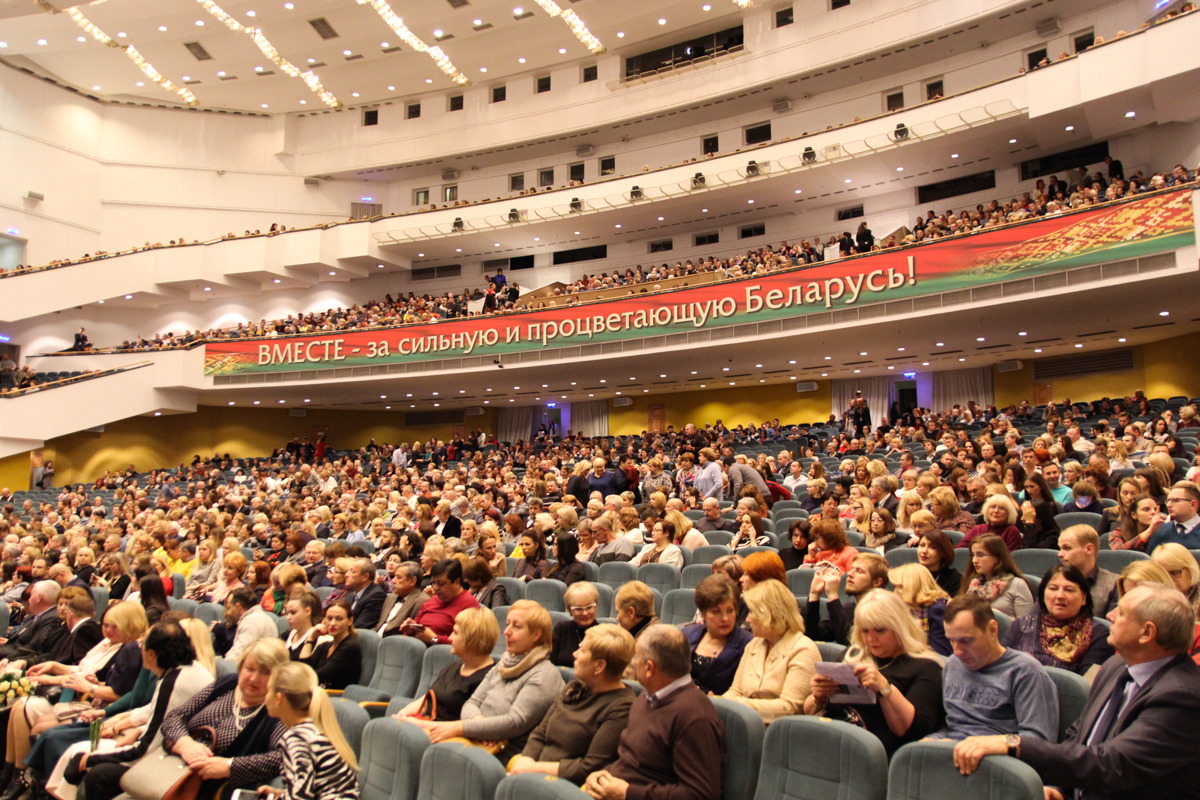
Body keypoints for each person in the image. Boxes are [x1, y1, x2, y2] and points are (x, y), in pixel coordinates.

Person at [952, 585, 1200, 800]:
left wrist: (1012, 742)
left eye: (1122, 613)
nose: (1110, 615)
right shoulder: (1117, 666)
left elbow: (1112, 764)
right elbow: (1080, 734)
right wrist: (1061, 789)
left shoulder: (1182, 696)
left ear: (1146, 633)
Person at [406, 600, 563, 761]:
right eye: (508, 624)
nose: (507, 631)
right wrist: (479, 725)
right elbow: (471, 703)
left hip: (507, 754)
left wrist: (461, 727)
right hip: (477, 741)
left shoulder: (544, 675)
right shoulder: (503, 664)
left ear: (536, 635)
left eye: (516, 627)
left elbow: (515, 722)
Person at [582, 625, 723, 800]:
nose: (633, 664)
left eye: (637, 658)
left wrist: (627, 793)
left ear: (649, 668)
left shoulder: (695, 716)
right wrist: (602, 775)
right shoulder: (648, 696)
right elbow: (630, 761)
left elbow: (701, 795)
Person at [804, 589, 945, 757]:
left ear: (899, 628)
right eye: (865, 631)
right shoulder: (853, 655)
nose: (870, 639)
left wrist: (884, 689)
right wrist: (819, 697)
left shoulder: (926, 667)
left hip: (873, 755)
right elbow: (808, 710)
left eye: (879, 630)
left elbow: (910, 733)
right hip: (829, 742)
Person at [150, 639, 289, 800]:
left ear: (278, 677)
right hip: (168, 770)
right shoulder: (227, 683)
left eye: (265, 673)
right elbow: (176, 716)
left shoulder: (278, 710)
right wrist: (184, 743)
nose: (254, 678)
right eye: (249, 669)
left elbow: (282, 757)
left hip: (210, 790)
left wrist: (229, 766)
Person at [509, 624, 637, 785]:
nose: (574, 654)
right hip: (532, 775)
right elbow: (540, 732)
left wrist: (534, 768)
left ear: (600, 666)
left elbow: (590, 767)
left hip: (564, 787)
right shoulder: (575, 686)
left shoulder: (622, 708)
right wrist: (525, 762)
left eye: (582, 650)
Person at [927, 593, 1058, 742]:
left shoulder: (1026, 672)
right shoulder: (953, 665)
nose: (957, 652)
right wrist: (934, 740)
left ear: (992, 630)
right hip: (951, 755)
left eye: (965, 641)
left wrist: (987, 745)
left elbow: (1039, 743)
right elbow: (949, 727)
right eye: (952, 641)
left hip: (998, 761)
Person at [719, 578, 819, 722]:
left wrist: (736, 705)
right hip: (746, 726)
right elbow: (735, 691)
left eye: (752, 612)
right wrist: (719, 705)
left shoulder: (803, 650)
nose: (747, 619)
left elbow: (789, 708)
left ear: (769, 614)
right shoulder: (754, 645)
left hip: (779, 735)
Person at [256, 662, 358, 800]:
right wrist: (281, 795)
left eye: (269, 691)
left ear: (278, 699)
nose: (265, 696)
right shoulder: (312, 728)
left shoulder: (296, 739)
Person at [1002, 563, 1116, 680]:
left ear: (1084, 598)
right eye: (1053, 588)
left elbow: (1087, 688)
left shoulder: (1099, 634)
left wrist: (1032, 667)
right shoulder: (1022, 624)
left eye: (1069, 590)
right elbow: (999, 669)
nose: (1060, 595)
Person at [393, 607, 497, 723]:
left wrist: (416, 723)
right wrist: (404, 713)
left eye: (456, 633)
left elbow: (466, 725)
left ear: (472, 639)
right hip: (425, 725)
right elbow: (429, 700)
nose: (450, 638)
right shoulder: (456, 665)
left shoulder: (489, 677)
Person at [681, 575, 752, 695]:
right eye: (716, 612)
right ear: (703, 614)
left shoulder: (748, 643)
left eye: (730, 611)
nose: (725, 618)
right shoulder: (688, 634)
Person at [805, 552, 890, 645]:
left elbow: (850, 644)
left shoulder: (884, 613)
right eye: (852, 569)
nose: (850, 574)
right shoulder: (847, 609)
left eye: (859, 571)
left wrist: (833, 596)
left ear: (877, 582)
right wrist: (814, 595)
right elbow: (813, 635)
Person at [399, 559, 481, 645]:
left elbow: (469, 645)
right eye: (433, 583)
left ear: (456, 582)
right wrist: (411, 629)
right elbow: (415, 625)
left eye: (441, 583)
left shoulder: (470, 606)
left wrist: (434, 639)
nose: (435, 588)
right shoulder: (432, 601)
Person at [960, 533, 1034, 618]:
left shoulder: (1018, 585)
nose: (974, 560)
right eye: (973, 555)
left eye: (980, 555)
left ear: (997, 558)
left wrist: (1001, 618)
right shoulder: (973, 585)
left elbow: (1026, 626)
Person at [297, 600, 362, 690]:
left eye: (339, 619)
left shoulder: (350, 647)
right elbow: (303, 668)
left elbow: (320, 676)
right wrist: (311, 638)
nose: (332, 623)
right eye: (329, 618)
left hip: (336, 697)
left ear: (350, 621)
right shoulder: (324, 646)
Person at [889, 563, 952, 656]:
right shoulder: (906, 609)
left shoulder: (937, 610)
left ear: (912, 587)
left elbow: (942, 653)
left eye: (900, 587)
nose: (895, 593)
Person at [1056, 524, 1119, 615]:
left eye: (1067, 548)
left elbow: (1113, 626)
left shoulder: (1114, 584)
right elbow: (1033, 621)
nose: (1060, 554)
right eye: (1060, 548)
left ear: (1089, 549)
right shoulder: (1052, 581)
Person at [224, 587, 282, 663]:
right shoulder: (254, 618)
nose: (227, 613)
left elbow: (237, 657)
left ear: (238, 607)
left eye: (229, 608)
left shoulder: (252, 622)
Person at [614, 581, 659, 679]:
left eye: (618, 612)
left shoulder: (652, 641)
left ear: (631, 612)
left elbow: (628, 676)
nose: (617, 618)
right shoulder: (629, 629)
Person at [550, 582, 600, 668]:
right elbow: (551, 663)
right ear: (570, 610)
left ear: (596, 606)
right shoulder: (562, 629)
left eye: (589, 607)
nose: (584, 613)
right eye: (578, 609)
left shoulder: (604, 633)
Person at [1146, 481, 1200, 551]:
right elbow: (1150, 560)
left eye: (1176, 500)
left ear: (1193, 505)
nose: (1168, 505)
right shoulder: (1160, 530)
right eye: (1168, 501)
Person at [1150, 542, 1200, 618]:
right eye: (1163, 574)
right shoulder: (1149, 602)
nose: (1168, 579)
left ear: (1190, 570)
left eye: (1174, 572)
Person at [377, 562, 427, 635]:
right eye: (394, 576)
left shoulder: (422, 602)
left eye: (398, 577)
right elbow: (379, 624)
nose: (393, 581)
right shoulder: (391, 596)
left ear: (412, 581)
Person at [916, 529, 962, 595]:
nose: (924, 551)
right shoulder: (912, 574)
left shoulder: (955, 579)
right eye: (922, 545)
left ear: (943, 552)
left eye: (933, 547)